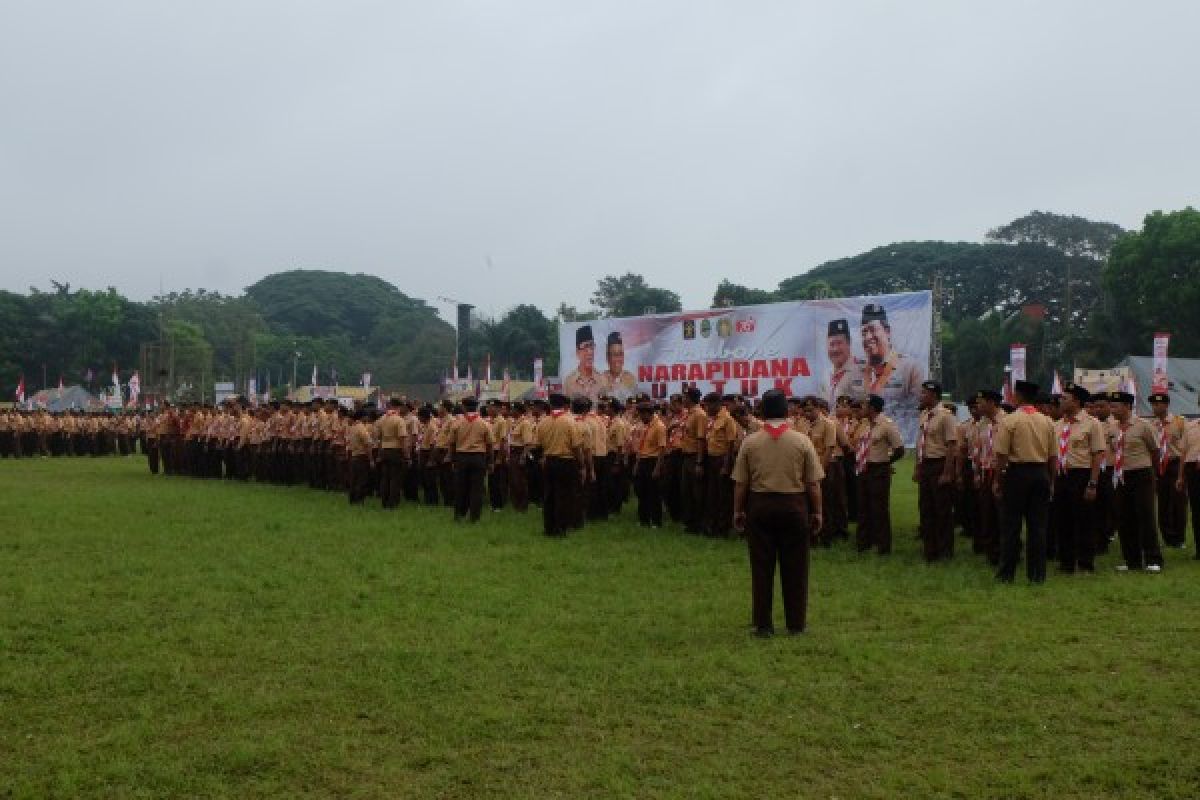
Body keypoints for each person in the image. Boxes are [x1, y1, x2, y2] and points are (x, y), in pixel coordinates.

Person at [732, 388, 824, 637]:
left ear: (762, 411)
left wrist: (738, 510)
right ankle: (796, 624)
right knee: (796, 567)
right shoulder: (802, 440)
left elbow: (741, 483)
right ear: (786, 411)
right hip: (794, 506)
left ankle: (763, 625)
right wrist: (817, 512)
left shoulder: (750, 442)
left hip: (760, 506)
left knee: (761, 567)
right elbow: (813, 483)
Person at [992, 380, 1055, 584]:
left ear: (1017, 397)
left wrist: (999, 480)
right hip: (1040, 473)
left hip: (1017, 474)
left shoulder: (1009, 421)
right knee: (1038, 527)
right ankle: (1037, 575)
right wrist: (1051, 480)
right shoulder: (1046, 421)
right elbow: (1053, 457)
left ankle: (1007, 574)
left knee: (1011, 526)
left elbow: (1001, 455)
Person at [1050, 383, 1105, 574]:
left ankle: (1085, 562)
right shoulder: (1057, 425)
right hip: (1061, 475)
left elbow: (1098, 454)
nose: (1060, 401)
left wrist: (1093, 483)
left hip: (1081, 474)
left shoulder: (1092, 423)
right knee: (1062, 520)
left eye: (1065, 398)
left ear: (1076, 401)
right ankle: (1066, 562)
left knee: (1084, 520)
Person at [1109, 391, 1163, 572]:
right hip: (1121, 476)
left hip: (1141, 474)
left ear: (1127, 407)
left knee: (1146, 516)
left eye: (1115, 406)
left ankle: (1153, 559)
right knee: (1124, 517)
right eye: (1111, 406)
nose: (1112, 409)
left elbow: (1155, 451)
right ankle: (1131, 559)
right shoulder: (1113, 428)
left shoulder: (1143, 426)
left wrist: (1154, 473)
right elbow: (1113, 450)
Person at [859, 304, 924, 434]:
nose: (868, 337)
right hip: (868, 437)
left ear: (887, 331)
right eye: (864, 332)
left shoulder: (911, 368)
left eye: (872, 330)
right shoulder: (860, 372)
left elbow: (915, 411)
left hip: (899, 438)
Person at [853, 394, 904, 554]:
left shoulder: (887, 425)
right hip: (864, 469)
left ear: (873, 408)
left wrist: (886, 462)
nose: (862, 409)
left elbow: (899, 449)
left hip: (878, 470)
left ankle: (883, 546)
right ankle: (863, 544)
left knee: (879, 509)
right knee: (863, 507)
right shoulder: (867, 425)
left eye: (865, 406)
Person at [914, 381, 958, 562]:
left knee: (942, 510)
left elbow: (951, 446)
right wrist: (918, 467)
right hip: (926, 465)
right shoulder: (924, 415)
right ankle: (929, 549)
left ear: (933, 395)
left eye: (924, 393)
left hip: (939, 464)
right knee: (925, 508)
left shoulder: (946, 416)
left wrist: (947, 472)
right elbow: (920, 443)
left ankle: (944, 550)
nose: (921, 396)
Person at [538, 393, 586, 536]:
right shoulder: (570, 422)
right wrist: (582, 466)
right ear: (565, 406)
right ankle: (561, 527)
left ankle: (548, 527)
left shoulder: (543, 422)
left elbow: (539, 444)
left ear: (551, 405)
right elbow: (577, 447)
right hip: (566, 462)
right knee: (564, 496)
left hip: (549, 461)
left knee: (549, 496)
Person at [1149, 392, 1188, 549]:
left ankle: (1179, 538)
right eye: (1153, 404)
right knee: (1163, 502)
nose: (1154, 407)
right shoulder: (1151, 425)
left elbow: (1185, 445)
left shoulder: (1179, 422)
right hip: (1159, 466)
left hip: (1175, 464)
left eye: (1157, 404)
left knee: (1178, 502)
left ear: (1166, 405)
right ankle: (1167, 537)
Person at [448, 397, 494, 523]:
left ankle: (459, 514)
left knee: (460, 487)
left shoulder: (457, 423)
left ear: (463, 407)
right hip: (478, 458)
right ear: (477, 407)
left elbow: (451, 444)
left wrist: (453, 460)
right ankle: (474, 517)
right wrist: (490, 462)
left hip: (461, 457)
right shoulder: (484, 423)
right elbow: (489, 445)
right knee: (476, 489)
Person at [972, 390, 1006, 565]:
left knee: (1002, 514)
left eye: (981, 402)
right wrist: (977, 472)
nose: (978, 406)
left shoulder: (1007, 421)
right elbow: (978, 449)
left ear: (992, 403)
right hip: (986, 472)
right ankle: (991, 552)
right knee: (987, 513)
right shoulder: (983, 424)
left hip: (1001, 472)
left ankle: (1005, 551)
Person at [703, 392, 739, 537]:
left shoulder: (727, 419)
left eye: (708, 405)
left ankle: (723, 529)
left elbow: (730, 444)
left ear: (716, 404)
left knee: (723, 496)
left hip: (722, 460)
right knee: (712, 495)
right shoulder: (711, 419)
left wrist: (726, 466)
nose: (706, 408)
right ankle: (713, 525)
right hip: (711, 459)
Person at [632, 400, 667, 527]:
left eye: (642, 415)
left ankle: (656, 521)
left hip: (653, 461)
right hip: (643, 460)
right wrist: (637, 464)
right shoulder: (643, 426)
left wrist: (657, 468)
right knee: (642, 492)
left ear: (648, 413)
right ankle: (643, 520)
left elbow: (662, 449)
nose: (640, 418)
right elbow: (641, 446)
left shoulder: (660, 427)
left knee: (654, 493)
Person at [679, 387, 708, 533]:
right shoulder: (688, 414)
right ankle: (690, 523)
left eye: (684, 397)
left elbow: (701, 440)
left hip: (694, 457)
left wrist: (699, 462)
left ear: (690, 398)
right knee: (686, 491)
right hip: (686, 456)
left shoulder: (700, 415)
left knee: (697, 493)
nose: (682, 400)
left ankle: (700, 524)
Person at [374, 396, 411, 509]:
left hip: (384, 449)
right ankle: (393, 503)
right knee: (395, 478)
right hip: (396, 450)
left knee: (385, 477)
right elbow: (403, 439)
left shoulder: (382, 419)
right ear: (399, 406)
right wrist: (407, 455)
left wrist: (380, 453)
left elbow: (378, 437)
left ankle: (384, 502)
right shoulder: (399, 420)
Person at [820, 319, 865, 406]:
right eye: (832, 344)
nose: (835, 349)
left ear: (849, 343)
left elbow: (862, 406)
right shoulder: (826, 374)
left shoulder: (861, 370)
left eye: (839, 343)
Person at [564, 325, 605, 401]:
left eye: (592, 346)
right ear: (577, 352)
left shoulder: (602, 380)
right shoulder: (569, 382)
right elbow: (566, 411)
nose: (590, 352)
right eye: (585, 347)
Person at [602, 331, 638, 401]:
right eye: (615, 355)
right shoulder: (601, 379)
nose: (618, 359)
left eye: (620, 354)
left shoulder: (630, 379)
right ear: (608, 357)